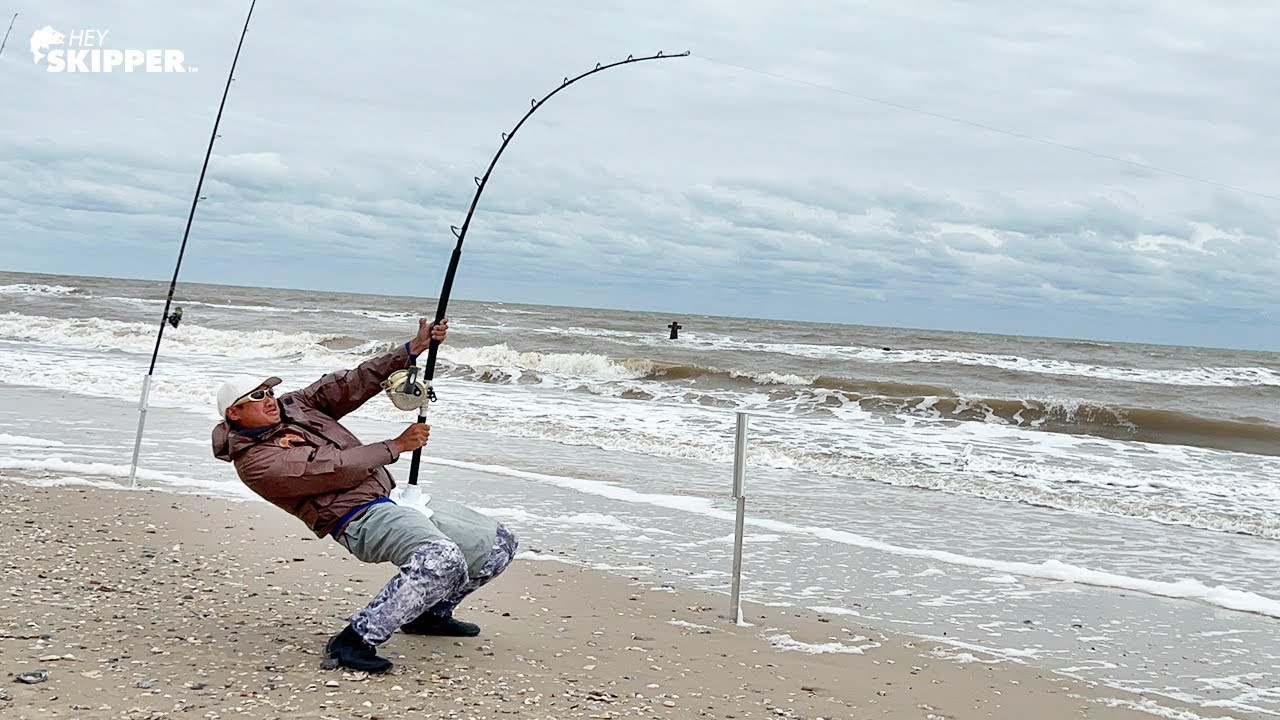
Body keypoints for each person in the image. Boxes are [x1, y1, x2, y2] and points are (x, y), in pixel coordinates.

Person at [210, 318, 517, 673]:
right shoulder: (256, 462)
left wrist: (412, 349)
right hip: (358, 517)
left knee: (499, 544)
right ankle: (354, 639)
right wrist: (395, 446)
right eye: (257, 396)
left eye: (270, 391)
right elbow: (331, 468)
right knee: (440, 559)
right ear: (234, 412)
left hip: (392, 497)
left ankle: (430, 614)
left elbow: (353, 382)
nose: (269, 399)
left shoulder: (296, 406)